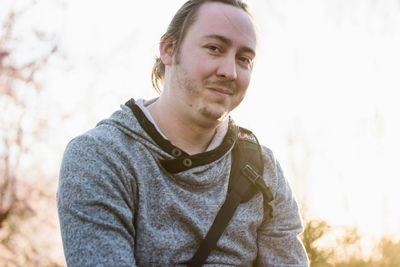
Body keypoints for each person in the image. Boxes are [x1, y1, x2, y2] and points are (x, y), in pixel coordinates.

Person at [57, 0, 309, 266]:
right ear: (169, 49)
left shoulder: (262, 168)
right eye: (214, 48)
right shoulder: (101, 157)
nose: (230, 72)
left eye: (244, 59)